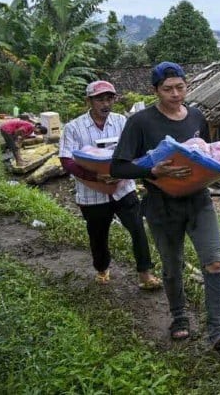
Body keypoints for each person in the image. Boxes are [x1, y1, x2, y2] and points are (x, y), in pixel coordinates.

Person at [110, 62, 220, 360]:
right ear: (155, 90)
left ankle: (217, 332)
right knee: (172, 267)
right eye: (168, 89)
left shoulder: (196, 116)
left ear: (186, 86)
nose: (175, 94)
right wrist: (151, 170)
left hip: (198, 201)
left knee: (214, 262)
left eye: (180, 87)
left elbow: (206, 154)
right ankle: (179, 316)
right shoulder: (141, 122)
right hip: (161, 205)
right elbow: (118, 167)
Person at [59, 80, 162, 290]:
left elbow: (135, 150)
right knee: (98, 235)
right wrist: (94, 176)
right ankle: (102, 268)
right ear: (89, 101)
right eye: (100, 99)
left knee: (137, 229)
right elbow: (66, 160)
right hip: (92, 193)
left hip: (123, 188)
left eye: (109, 99)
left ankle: (145, 273)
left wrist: (125, 171)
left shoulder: (122, 122)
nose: (106, 104)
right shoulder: (74, 127)